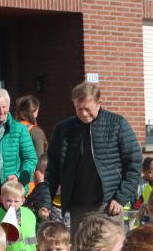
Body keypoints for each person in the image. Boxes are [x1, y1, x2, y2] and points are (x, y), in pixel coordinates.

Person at [44, 83, 141, 234]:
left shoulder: (117, 124)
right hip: (77, 206)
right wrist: (45, 200)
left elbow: (134, 164)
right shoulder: (63, 129)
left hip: (109, 204)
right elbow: (53, 169)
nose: (83, 113)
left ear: (98, 103)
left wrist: (120, 198)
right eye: (78, 108)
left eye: (87, 109)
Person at [0, 89, 38, 214]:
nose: (1, 111)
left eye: (4, 107)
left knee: (9, 230)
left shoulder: (19, 129)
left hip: (10, 192)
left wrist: (18, 176)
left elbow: (30, 158)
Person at [0, 179, 38, 251]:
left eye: (16, 201)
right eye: (8, 200)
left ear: (23, 200)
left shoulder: (29, 213)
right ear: (1, 199)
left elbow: (35, 232)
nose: (12, 204)